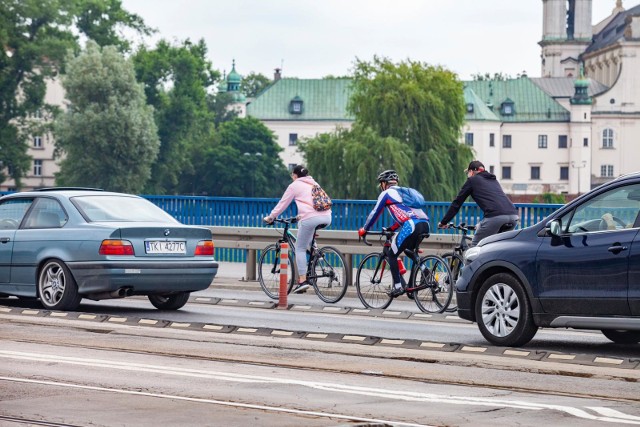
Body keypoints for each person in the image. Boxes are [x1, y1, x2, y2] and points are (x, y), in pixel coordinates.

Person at [358, 170, 430, 297]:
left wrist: (365, 229)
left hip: (411, 225)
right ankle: (425, 271)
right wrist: (392, 228)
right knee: (409, 250)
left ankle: (397, 287)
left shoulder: (386, 193)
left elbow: (375, 213)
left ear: (384, 184)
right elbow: (406, 214)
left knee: (391, 254)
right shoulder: (404, 192)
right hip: (425, 224)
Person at [263, 165, 332, 294]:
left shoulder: (294, 186)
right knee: (304, 226)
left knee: (299, 248)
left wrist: (271, 217)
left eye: (292, 175)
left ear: (295, 175)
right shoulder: (314, 183)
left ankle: (302, 281)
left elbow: (282, 204)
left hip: (310, 218)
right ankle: (316, 254)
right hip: (327, 217)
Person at [438, 160, 519, 247]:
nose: (467, 176)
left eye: (467, 173)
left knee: (475, 248)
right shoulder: (493, 180)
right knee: (496, 247)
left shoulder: (472, 180)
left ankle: (472, 261)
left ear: (471, 172)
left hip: (496, 217)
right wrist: (481, 224)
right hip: (513, 216)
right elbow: (494, 204)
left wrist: (444, 222)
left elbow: (457, 203)